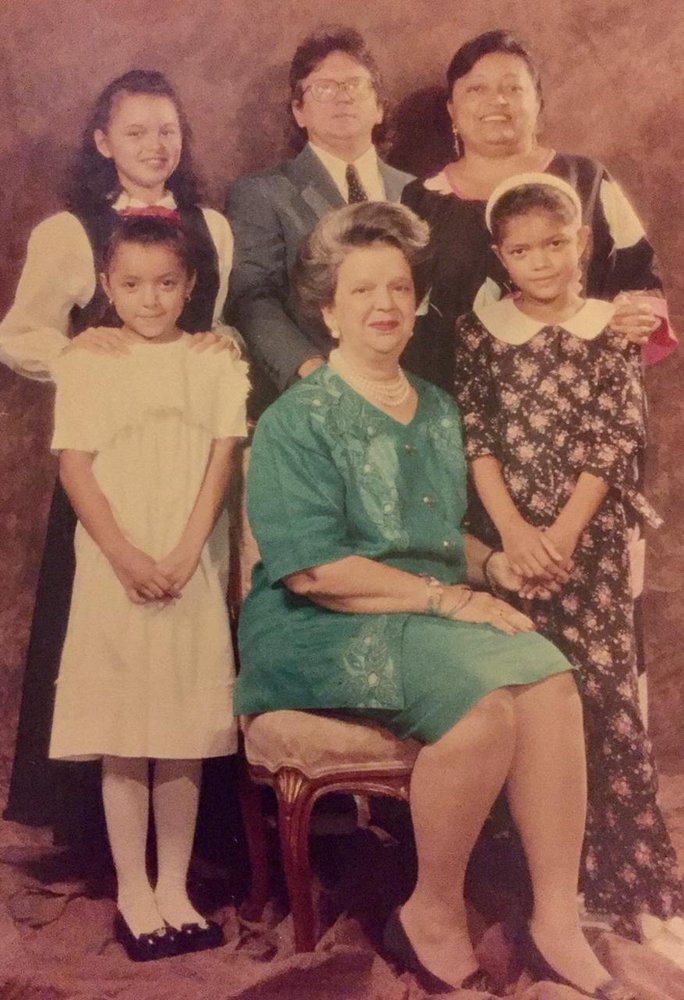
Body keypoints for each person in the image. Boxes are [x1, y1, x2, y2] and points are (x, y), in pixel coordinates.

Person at [234, 201, 636, 999]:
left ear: (417, 302)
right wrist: (450, 602)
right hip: (313, 624)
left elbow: (443, 535)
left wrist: (501, 568)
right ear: (329, 310)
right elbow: (313, 571)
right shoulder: (296, 419)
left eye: (398, 289)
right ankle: (433, 910)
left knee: (549, 673)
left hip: (422, 612)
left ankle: (557, 918)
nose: (384, 306)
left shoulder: (437, 406)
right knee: (485, 706)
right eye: (362, 292)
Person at [1, 69, 238, 848]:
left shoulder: (212, 226)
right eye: (136, 131)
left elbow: (221, 327)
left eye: (167, 130)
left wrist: (217, 342)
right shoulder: (69, 231)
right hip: (111, 463)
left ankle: (191, 847)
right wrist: (82, 352)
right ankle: (87, 830)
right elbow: (19, 335)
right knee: (102, 631)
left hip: (188, 458)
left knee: (186, 640)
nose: (154, 146)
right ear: (104, 142)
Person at [452, 174, 683, 936]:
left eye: (556, 244)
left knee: (599, 697)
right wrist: (514, 534)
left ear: (582, 243)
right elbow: (478, 439)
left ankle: (612, 877)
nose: (542, 261)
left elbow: (613, 441)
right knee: (520, 697)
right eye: (523, 250)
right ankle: (522, 879)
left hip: (585, 546)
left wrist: (564, 535)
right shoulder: (480, 332)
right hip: (514, 549)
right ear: (500, 256)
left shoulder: (607, 328)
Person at [49, 216, 248, 960]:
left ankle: (174, 886)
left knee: (183, 731)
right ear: (106, 286)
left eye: (167, 283)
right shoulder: (91, 362)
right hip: (117, 563)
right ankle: (134, 887)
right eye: (131, 285)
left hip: (187, 562)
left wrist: (187, 551)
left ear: (191, 285)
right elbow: (76, 467)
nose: (150, 299)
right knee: (127, 733)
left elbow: (220, 465)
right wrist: (129, 557)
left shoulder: (215, 363)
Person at [400, 29, 676, 392]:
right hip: (453, 405)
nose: (496, 100)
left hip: (576, 401)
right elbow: (400, 305)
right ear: (452, 109)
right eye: (476, 89)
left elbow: (641, 279)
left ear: (538, 102)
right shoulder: (420, 200)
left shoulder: (586, 180)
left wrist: (636, 316)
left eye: (513, 88)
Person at [225, 25, 413, 414]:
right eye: (324, 87)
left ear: (379, 106)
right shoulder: (261, 194)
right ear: (299, 110)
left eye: (355, 85)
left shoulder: (416, 193)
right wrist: (312, 372)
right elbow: (252, 298)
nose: (342, 97)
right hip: (312, 397)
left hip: (408, 392)